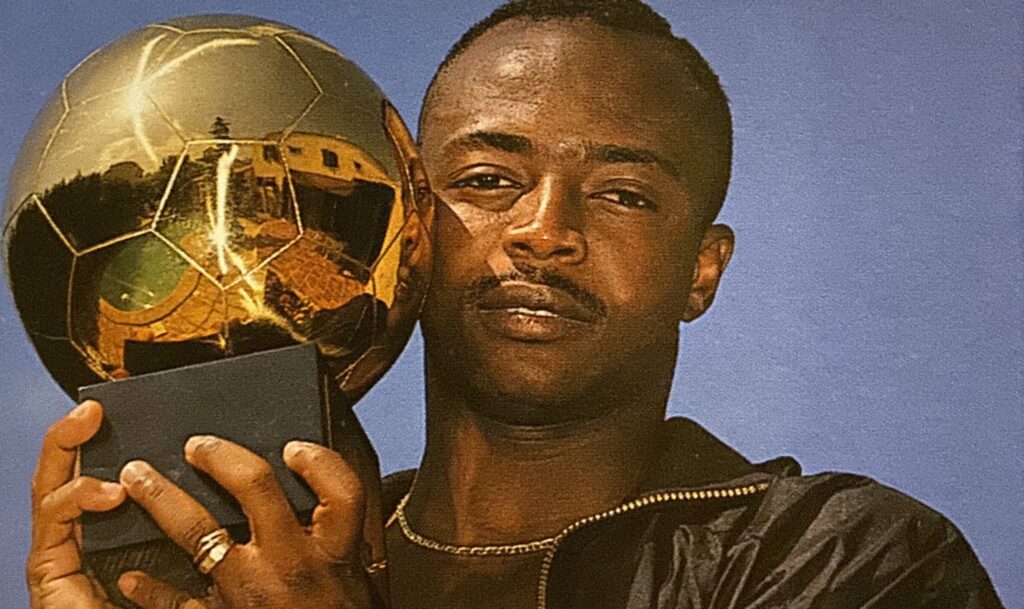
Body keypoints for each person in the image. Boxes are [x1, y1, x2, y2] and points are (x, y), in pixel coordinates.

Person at [25, 1, 1004, 608]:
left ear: (700, 272)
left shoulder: (847, 559)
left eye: (623, 194)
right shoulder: (261, 550)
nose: (545, 229)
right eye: (489, 179)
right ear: (410, 219)